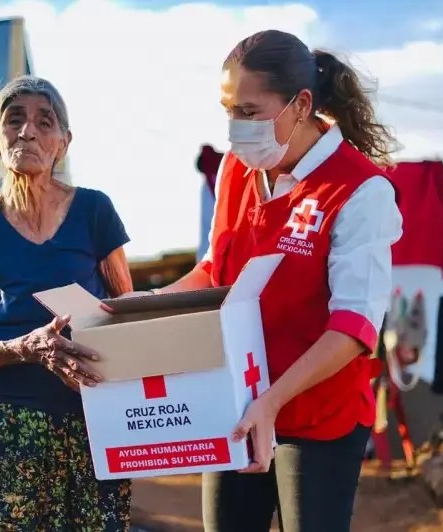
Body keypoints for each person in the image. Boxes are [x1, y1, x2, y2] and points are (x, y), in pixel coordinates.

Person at [140, 30, 403, 531]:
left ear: (300, 105)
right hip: (238, 402)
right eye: (228, 111)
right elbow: (215, 270)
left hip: (318, 413)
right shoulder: (235, 170)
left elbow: (353, 328)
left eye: (249, 111)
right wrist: (143, 307)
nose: (235, 128)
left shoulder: (359, 190)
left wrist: (273, 401)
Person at [0, 75, 133, 531]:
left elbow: (130, 317)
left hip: (83, 417)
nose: (28, 132)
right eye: (14, 120)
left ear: (63, 141)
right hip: (2, 416)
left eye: (45, 122)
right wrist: (23, 347)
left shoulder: (95, 211)